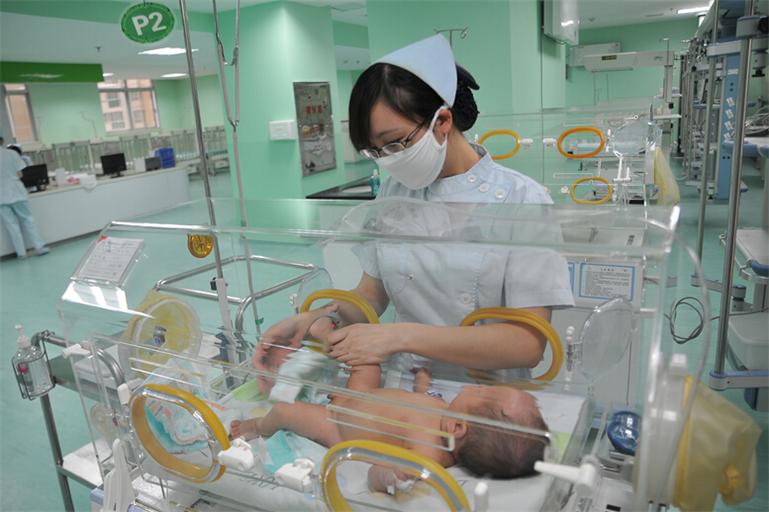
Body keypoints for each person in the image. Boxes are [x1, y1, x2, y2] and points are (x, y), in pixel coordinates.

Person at [254, 35, 573, 386]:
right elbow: (370, 295)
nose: (388, 160)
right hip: (406, 384)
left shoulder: (521, 198)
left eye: (394, 144)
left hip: (488, 392)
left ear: (442, 121)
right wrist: (318, 319)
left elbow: (526, 344)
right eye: (375, 151)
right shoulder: (395, 192)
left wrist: (399, 336)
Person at [231, 365, 548, 486]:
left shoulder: (429, 452)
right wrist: (423, 386)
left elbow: (380, 475)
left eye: (483, 393)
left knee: (285, 411)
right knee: (368, 361)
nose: (479, 385)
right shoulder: (446, 414)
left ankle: (255, 425)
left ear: (458, 429)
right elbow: (421, 402)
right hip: (361, 395)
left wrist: (390, 477)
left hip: (337, 424)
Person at [0, 136, 49, 258]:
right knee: (28, 219)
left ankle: (21, 253)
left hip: (1, 197)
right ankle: (40, 247)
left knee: (11, 225)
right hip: (16, 192)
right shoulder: (11, 154)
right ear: (2, 141)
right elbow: (20, 173)